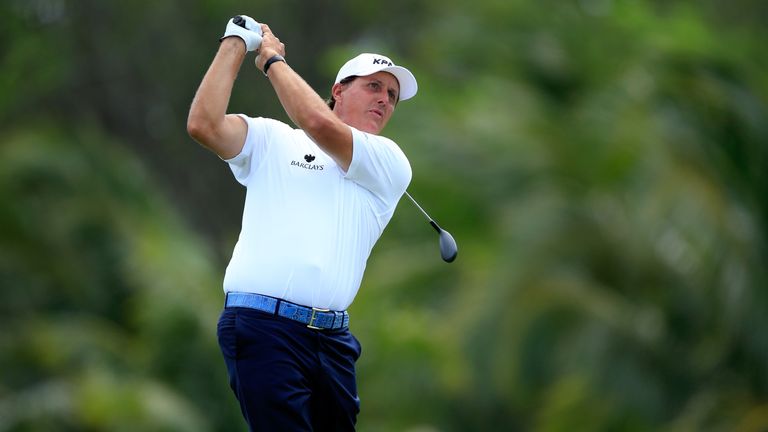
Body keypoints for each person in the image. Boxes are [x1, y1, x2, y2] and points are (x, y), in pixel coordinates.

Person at [186, 14, 418, 431]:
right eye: (374, 86)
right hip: (262, 328)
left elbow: (318, 123)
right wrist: (236, 42)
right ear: (338, 91)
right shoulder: (272, 138)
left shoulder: (388, 161)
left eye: (392, 95)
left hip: (333, 341)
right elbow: (204, 125)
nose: (385, 99)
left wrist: (272, 61)